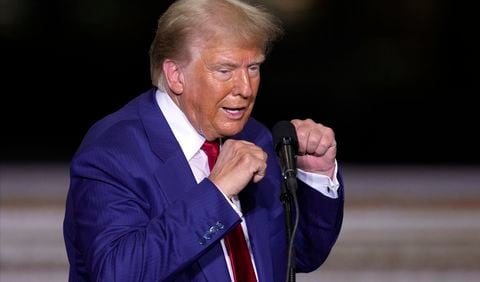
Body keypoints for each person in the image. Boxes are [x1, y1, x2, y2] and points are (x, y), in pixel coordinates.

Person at [63, 0, 344, 281]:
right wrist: (217, 192)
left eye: (254, 68)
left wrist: (315, 174)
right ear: (176, 75)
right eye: (225, 70)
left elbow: (298, 255)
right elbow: (116, 273)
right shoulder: (114, 152)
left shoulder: (256, 136)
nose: (245, 88)